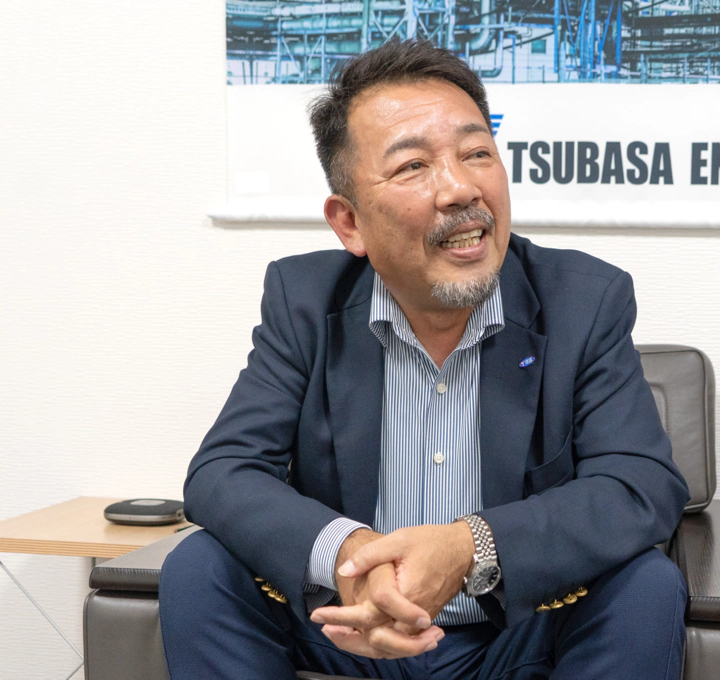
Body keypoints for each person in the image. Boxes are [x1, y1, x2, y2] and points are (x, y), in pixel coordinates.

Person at [159, 38, 689, 680]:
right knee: (199, 568)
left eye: (477, 154)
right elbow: (224, 471)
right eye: (413, 166)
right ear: (349, 223)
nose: (461, 188)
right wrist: (350, 557)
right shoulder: (304, 302)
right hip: (347, 628)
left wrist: (470, 546)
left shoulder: (583, 301)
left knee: (646, 585)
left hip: (516, 631)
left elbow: (639, 483)